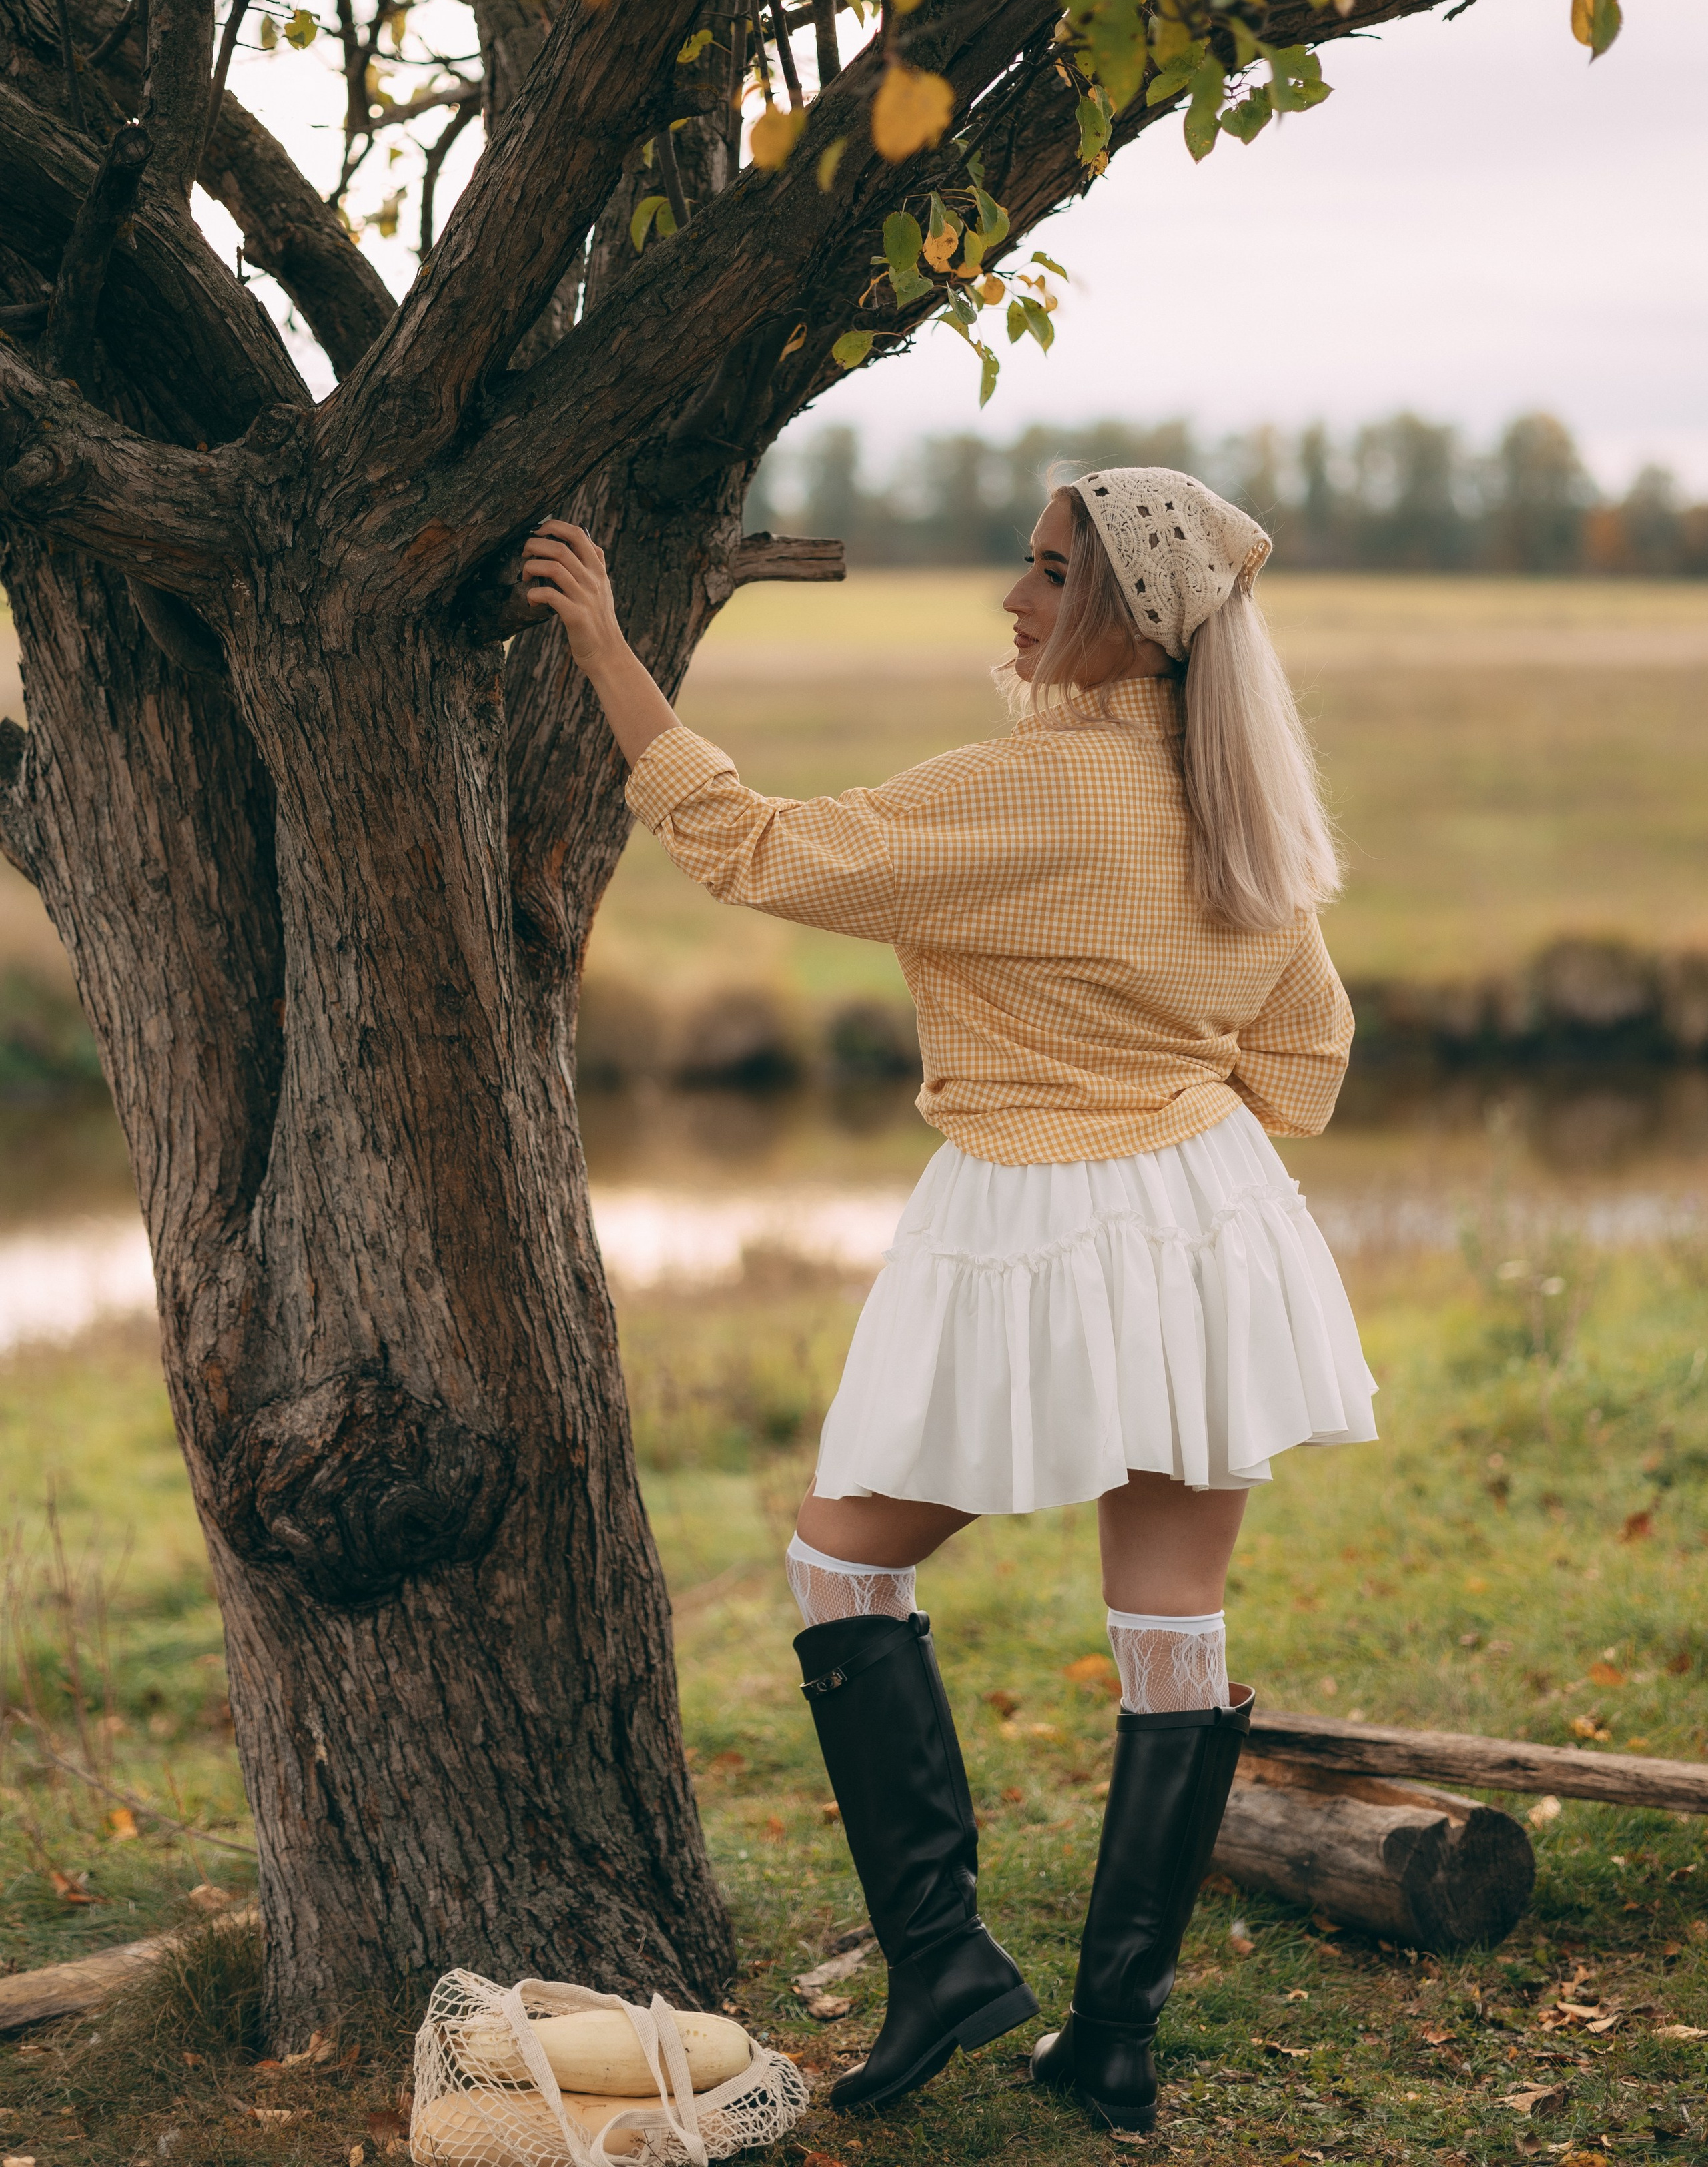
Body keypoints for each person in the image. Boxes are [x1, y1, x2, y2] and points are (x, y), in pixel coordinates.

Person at [521, 468, 1376, 2137]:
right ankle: (1111, 2039)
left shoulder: (1017, 797)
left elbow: (750, 847)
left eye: (1046, 575)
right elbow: (1307, 1059)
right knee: (1172, 1627)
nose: (1011, 599)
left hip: (1031, 1212)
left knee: (842, 1559)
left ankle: (945, 1961)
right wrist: (1160, 1125)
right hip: (1211, 1218)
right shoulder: (1247, 810)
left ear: (1123, 623)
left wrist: (611, 651)